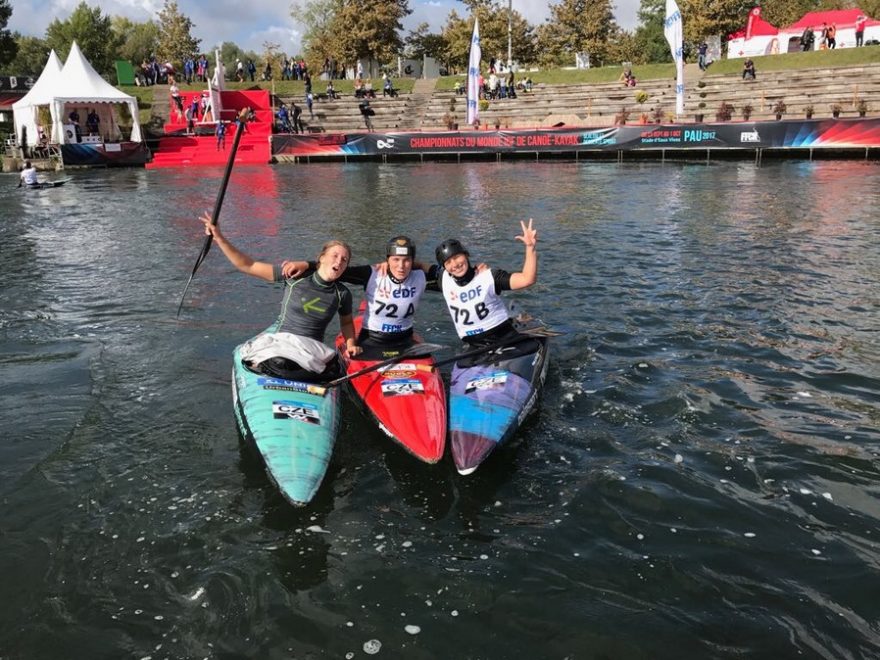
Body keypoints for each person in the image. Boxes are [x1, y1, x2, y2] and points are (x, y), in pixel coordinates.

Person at [199, 217, 360, 381]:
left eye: (344, 260)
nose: (339, 261)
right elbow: (247, 265)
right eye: (335, 255)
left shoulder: (342, 293)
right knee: (280, 361)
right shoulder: (295, 275)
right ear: (322, 258)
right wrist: (219, 237)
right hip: (283, 340)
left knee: (297, 364)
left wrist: (351, 344)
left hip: (312, 348)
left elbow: (346, 323)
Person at [281, 236, 428, 358]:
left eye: (407, 260)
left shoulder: (421, 276)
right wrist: (306, 264)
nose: (401, 266)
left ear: (412, 261)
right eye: (396, 259)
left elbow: (445, 272)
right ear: (387, 259)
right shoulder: (372, 273)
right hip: (372, 341)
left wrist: (420, 265)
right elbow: (336, 269)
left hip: (405, 341)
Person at [425, 220, 538, 353]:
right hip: (475, 346)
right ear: (444, 267)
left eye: (457, 257)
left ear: (466, 255)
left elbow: (527, 279)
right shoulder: (443, 278)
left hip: (505, 337)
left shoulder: (489, 277)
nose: (454, 264)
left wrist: (530, 247)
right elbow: (418, 266)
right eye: (448, 262)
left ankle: (520, 324)